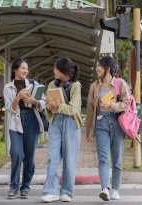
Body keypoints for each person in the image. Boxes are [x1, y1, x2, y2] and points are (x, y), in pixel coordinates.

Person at [85, 56, 130, 201]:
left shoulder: (120, 83)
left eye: (100, 66)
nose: (97, 68)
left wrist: (112, 106)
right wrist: (89, 130)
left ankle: (115, 189)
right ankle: (105, 188)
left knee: (116, 159)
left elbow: (126, 103)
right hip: (101, 124)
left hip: (117, 123)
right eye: (97, 66)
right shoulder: (94, 86)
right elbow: (90, 109)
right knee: (103, 159)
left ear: (108, 69)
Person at [41, 57, 83, 203]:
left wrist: (56, 106)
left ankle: (66, 192)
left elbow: (73, 109)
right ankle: (50, 191)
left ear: (64, 71)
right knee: (52, 157)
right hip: (55, 122)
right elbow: (47, 107)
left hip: (71, 124)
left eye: (56, 69)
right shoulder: (52, 84)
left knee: (69, 160)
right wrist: (50, 106)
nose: (54, 71)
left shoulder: (76, 85)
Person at [3, 58, 46, 199]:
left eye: (26, 68)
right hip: (15, 122)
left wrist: (34, 101)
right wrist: (18, 97)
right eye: (23, 68)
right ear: (15, 69)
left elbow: (44, 102)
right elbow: (10, 109)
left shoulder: (34, 84)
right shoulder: (8, 87)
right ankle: (13, 187)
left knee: (29, 157)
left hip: (32, 120)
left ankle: (25, 187)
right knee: (16, 153)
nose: (25, 71)